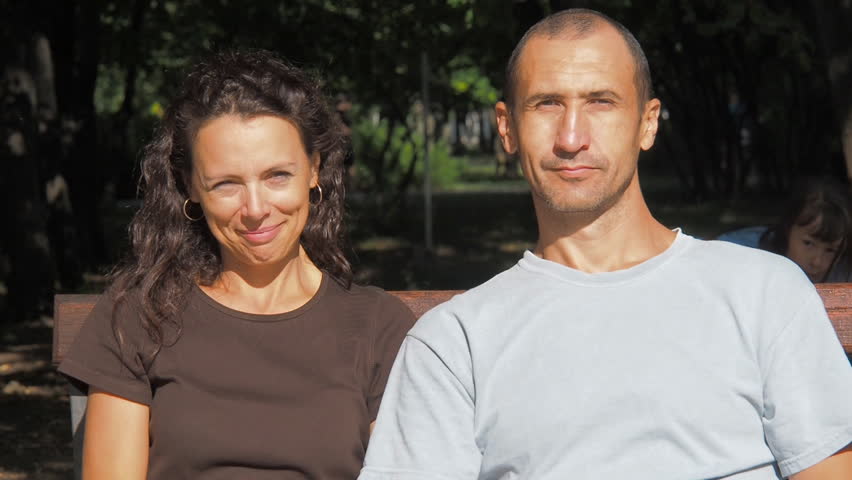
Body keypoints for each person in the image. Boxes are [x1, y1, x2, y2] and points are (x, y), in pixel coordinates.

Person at [359, 9, 852, 480]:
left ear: (648, 122)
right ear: (507, 127)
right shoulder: (454, 342)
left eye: (601, 101)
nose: (572, 137)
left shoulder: (762, 291)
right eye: (547, 103)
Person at [58, 50, 415, 479]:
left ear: (314, 170)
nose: (255, 208)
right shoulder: (141, 315)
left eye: (277, 176)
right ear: (191, 187)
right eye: (226, 183)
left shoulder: (377, 327)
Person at [717, 177, 852, 283]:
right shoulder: (747, 252)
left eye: (831, 250)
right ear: (787, 228)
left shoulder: (844, 275)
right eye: (808, 243)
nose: (817, 261)